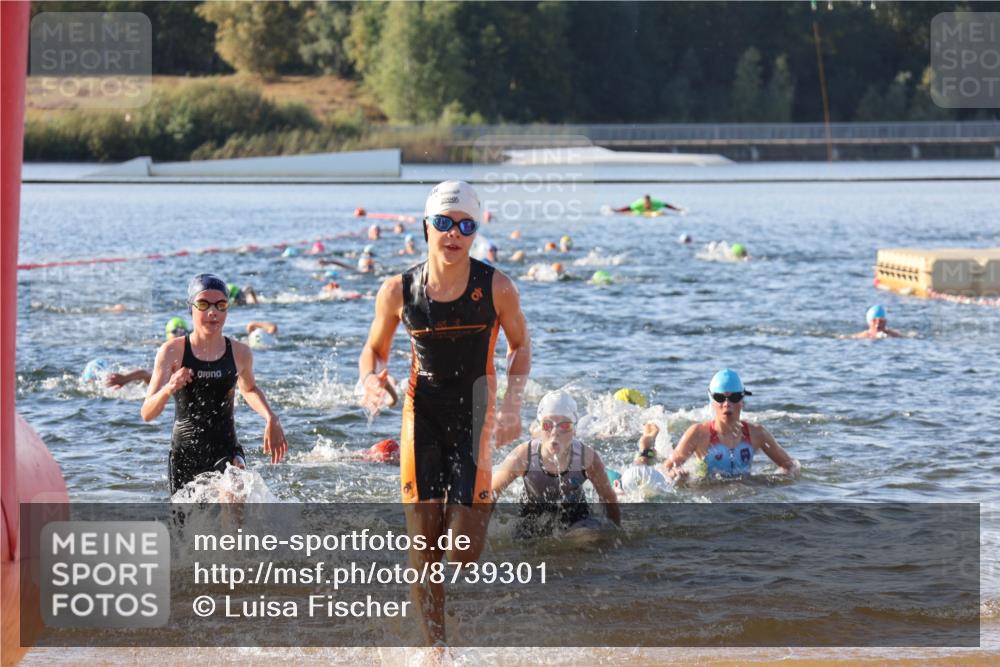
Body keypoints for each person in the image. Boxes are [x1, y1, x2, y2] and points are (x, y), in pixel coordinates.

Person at [357, 180, 531, 645]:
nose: (453, 234)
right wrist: (372, 378)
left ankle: (480, 500)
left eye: (465, 226)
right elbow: (374, 351)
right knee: (423, 541)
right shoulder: (398, 290)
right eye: (443, 224)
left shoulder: (497, 287)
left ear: (475, 232)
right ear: (425, 227)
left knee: (462, 553)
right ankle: (437, 647)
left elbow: (519, 346)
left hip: (475, 413)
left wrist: (512, 402)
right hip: (422, 413)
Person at [141, 274, 287, 495]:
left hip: (227, 449)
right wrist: (169, 388)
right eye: (203, 304)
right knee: (185, 529)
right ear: (191, 308)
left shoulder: (240, 352)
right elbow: (147, 413)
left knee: (234, 489)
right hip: (185, 455)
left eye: (221, 305)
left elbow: (249, 389)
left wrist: (271, 417)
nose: (213, 312)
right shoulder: (172, 351)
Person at [492, 391, 620, 538]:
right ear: (539, 428)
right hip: (531, 518)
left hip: (577, 517)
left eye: (564, 426)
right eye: (547, 425)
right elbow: (490, 493)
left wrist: (615, 535)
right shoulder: (523, 456)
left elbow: (608, 497)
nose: (555, 432)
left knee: (589, 537)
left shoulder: (587, 459)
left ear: (574, 430)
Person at [661, 369, 799, 481]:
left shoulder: (757, 434)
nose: (727, 404)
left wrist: (772, 480)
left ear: (742, 401)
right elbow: (664, 469)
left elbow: (791, 465)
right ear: (712, 401)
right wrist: (674, 473)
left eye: (734, 398)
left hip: (744, 496)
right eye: (720, 398)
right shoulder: (698, 434)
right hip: (707, 496)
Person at [106, 317, 190, 388]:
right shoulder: (165, 351)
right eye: (176, 331)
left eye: (183, 331)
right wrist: (125, 378)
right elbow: (145, 373)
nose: (180, 334)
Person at [614, 194, 684, 214]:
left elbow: (666, 205)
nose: (647, 205)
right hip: (639, 211)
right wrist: (617, 211)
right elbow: (628, 208)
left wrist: (676, 209)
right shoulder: (638, 204)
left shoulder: (656, 203)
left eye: (648, 204)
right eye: (646, 204)